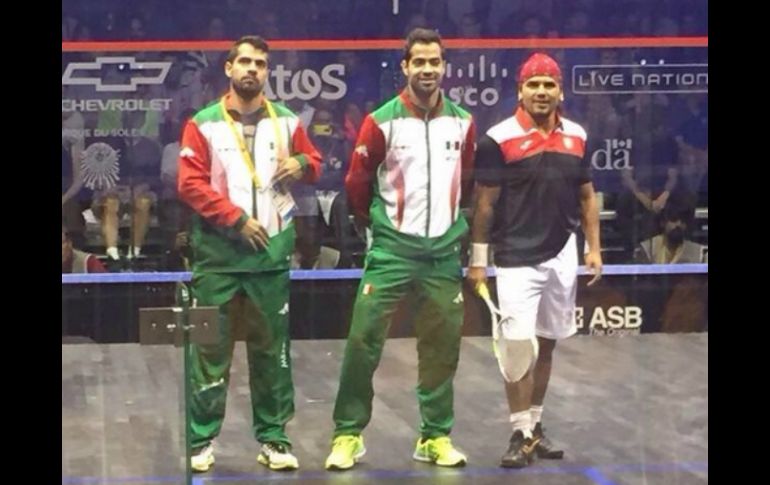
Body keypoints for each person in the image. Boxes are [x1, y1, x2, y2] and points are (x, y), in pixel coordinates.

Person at [324, 28, 476, 471]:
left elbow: (464, 178)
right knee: (361, 341)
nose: (427, 70)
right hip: (391, 252)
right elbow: (356, 182)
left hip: (443, 253)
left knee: (443, 346)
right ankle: (347, 434)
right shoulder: (381, 120)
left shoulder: (463, 121)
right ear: (405, 67)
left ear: (444, 67)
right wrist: (378, 226)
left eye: (435, 62)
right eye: (419, 62)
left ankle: (435, 435)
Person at [177, 35, 321, 473]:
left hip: (270, 260)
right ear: (228, 69)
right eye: (244, 62)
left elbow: (313, 161)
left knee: (272, 352)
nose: (252, 69)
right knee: (208, 351)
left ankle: (274, 439)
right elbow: (189, 183)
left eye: (259, 63)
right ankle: (200, 441)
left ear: (267, 71)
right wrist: (236, 219)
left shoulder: (289, 121)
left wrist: (304, 164)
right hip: (218, 258)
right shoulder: (202, 124)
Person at [467, 52, 603, 468]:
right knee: (516, 348)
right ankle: (518, 431)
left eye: (549, 84)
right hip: (515, 259)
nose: (541, 91)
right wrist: (478, 260)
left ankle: (535, 428)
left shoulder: (577, 135)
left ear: (560, 91)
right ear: (520, 91)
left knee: (546, 344)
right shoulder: (498, 138)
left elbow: (586, 195)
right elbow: (484, 205)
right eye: (534, 85)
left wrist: (593, 248)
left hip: (562, 253)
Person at [635, 204, 706, 264]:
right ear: (663, 223)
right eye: (674, 220)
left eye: (683, 222)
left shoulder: (699, 252)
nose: (678, 224)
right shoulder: (647, 249)